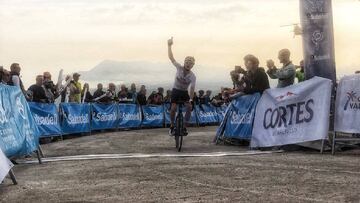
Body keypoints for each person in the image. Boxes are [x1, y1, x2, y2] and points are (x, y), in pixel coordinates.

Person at [167, 37, 196, 135]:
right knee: (174, 108)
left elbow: (192, 88)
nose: (188, 64)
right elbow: (171, 58)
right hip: (176, 90)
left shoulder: (192, 76)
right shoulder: (179, 67)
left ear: (192, 66)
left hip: (184, 92)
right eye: (187, 62)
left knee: (189, 107)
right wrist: (169, 46)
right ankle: (171, 124)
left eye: (190, 63)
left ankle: (184, 127)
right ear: (184, 62)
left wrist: (191, 100)